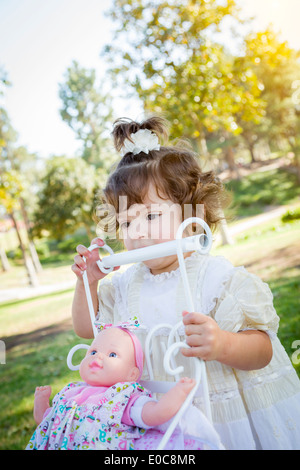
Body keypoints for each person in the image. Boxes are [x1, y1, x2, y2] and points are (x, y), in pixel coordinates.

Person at [71, 116, 300, 450]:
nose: (137, 232)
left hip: (220, 413)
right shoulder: (121, 286)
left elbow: (263, 350)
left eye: (150, 216)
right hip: (159, 421)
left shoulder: (216, 278)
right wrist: (86, 284)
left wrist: (223, 344)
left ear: (192, 213)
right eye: (126, 221)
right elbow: (87, 330)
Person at [26, 326, 216, 450]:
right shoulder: (70, 392)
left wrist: (178, 392)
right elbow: (45, 422)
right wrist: (41, 401)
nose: (97, 357)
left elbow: (154, 414)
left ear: (132, 375)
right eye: (93, 351)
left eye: (112, 354)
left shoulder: (122, 397)